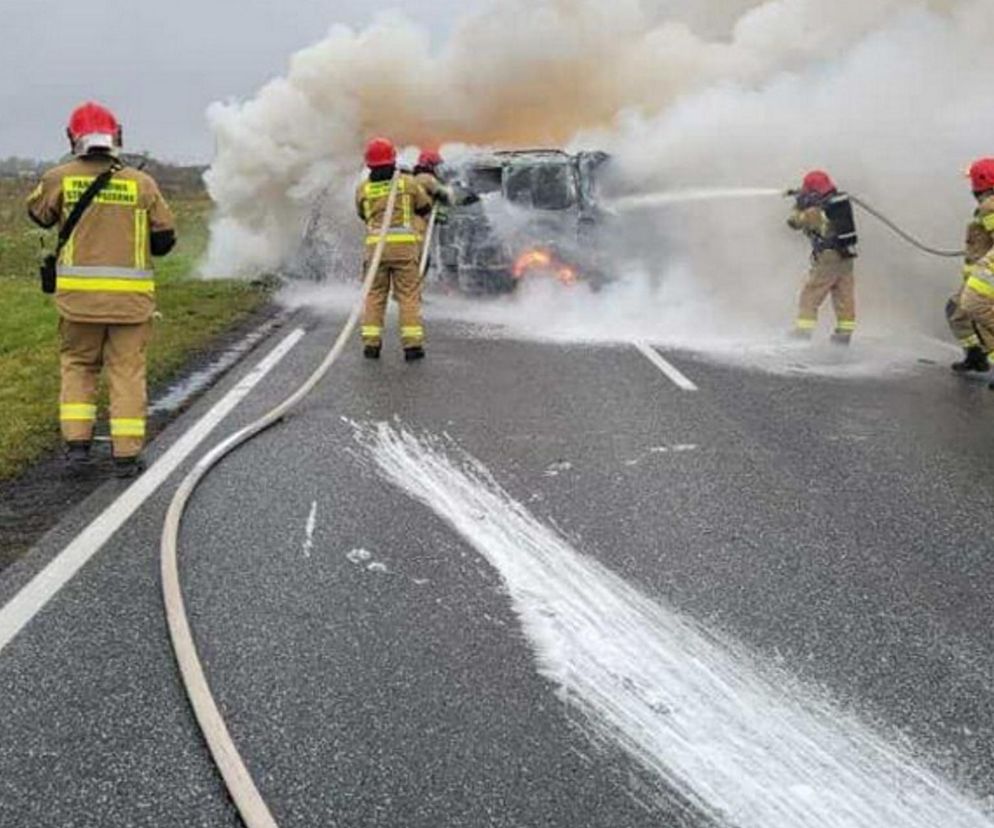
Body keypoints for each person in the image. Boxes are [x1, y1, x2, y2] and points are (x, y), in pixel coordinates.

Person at [26, 102, 176, 478]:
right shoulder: (142, 184)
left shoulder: (58, 178)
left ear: (73, 137)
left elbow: (38, 214)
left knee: (78, 367)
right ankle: (126, 456)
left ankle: (77, 448)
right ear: (116, 137)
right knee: (127, 373)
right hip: (131, 305)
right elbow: (164, 239)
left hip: (78, 304)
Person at [356, 138, 432, 361]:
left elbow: (362, 214)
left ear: (369, 165)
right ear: (393, 160)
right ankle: (412, 347)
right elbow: (424, 205)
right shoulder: (407, 184)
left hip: (375, 251)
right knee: (408, 296)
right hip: (403, 251)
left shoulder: (364, 189)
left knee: (374, 296)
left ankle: (371, 345)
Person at [787, 170, 859, 344]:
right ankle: (844, 334)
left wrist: (799, 204)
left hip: (829, 257)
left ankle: (803, 332)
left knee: (811, 293)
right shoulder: (838, 202)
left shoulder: (817, 210)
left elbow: (794, 223)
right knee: (843, 296)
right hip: (846, 256)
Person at [947, 158, 994, 375]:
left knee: (980, 317)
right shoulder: (986, 206)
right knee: (956, 312)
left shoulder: (989, 206)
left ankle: (983, 357)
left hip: (985, 277)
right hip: (976, 275)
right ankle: (975, 356)